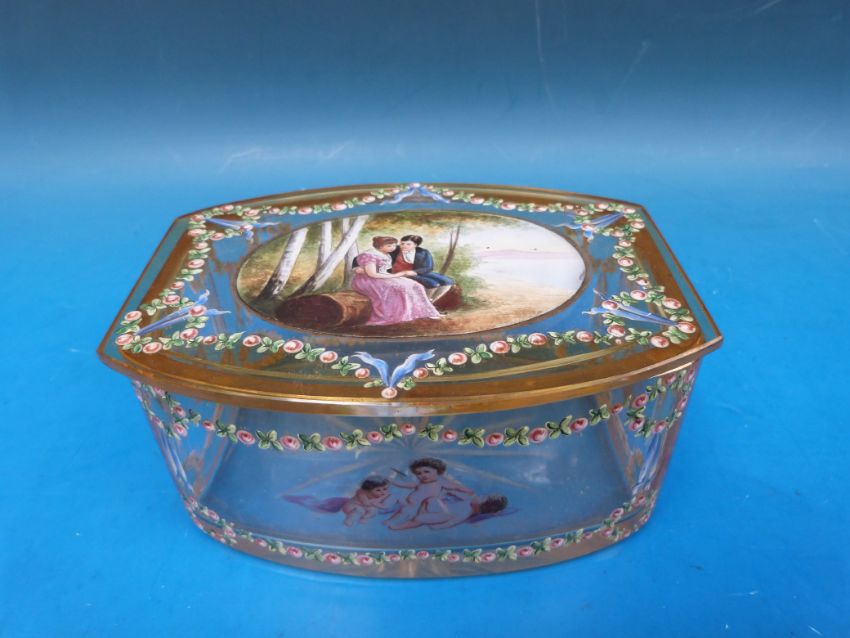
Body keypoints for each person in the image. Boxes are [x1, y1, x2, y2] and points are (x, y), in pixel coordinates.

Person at [352, 236, 443, 326]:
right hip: (369, 280)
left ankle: (421, 312)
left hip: (384, 277)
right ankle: (396, 315)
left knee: (416, 285)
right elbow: (372, 274)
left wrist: (393, 276)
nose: (393, 248)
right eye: (389, 246)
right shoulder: (369, 255)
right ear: (380, 246)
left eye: (394, 245)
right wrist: (394, 275)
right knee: (398, 287)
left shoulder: (387, 253)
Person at [352, 234, 454, 302]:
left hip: (416, 272)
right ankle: (426, 302)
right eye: (402, 243)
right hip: (398, 272)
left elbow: (428, 267)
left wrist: (414, 272)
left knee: (448, 281)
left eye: (408, 244)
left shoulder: (423, 252)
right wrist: (356, 267)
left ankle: (432, 301)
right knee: (433, 284)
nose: (403, 246)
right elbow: (367, 255)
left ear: (415, 245)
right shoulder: (393, 249)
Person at [384, 457, 473, 530]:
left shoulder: (440, 482)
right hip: (412, 506)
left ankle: (399, 527)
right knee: (402, 513)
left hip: (425, 507)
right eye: (419, 473)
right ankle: (390, 521)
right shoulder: (419, 483)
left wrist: (467, 490)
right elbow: (403, 485)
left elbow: (456, 486)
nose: (423, 475)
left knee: (415, 520)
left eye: (426, 471)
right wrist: (392, 481)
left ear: (437, 471)